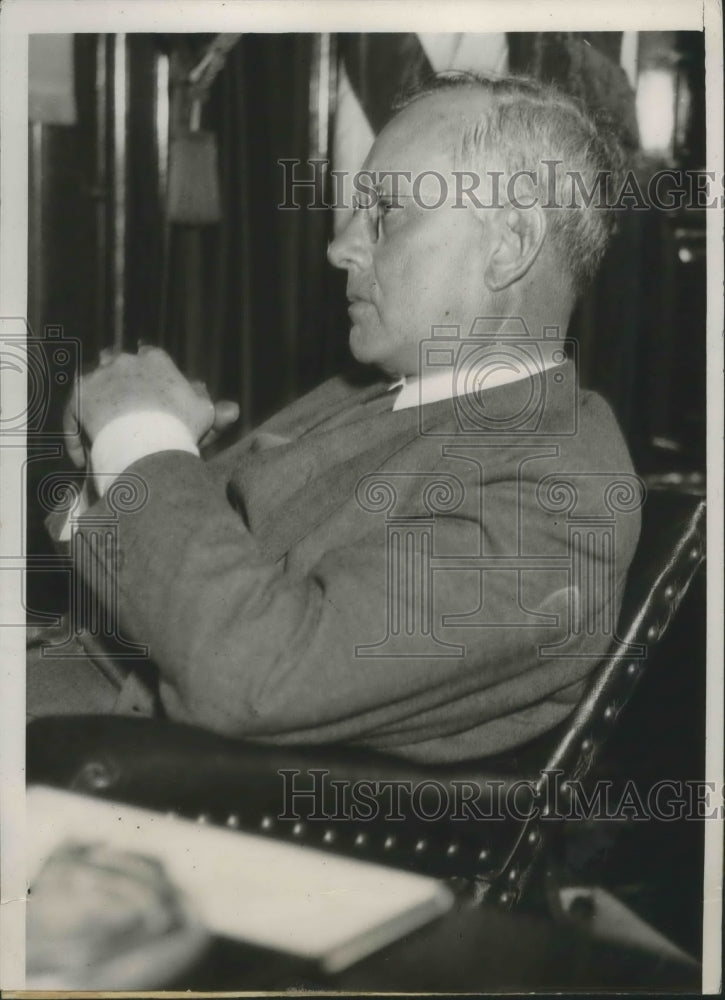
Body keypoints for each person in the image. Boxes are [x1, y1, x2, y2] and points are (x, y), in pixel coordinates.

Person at [31, 73, 641, 764]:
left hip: (128, 785)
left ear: (509, 243)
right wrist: (113, 460)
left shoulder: (559, 492)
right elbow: (168, 593)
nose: (339, 247)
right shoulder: (378, 393)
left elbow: (249, 677)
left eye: (384, 213)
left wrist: (143, 442)